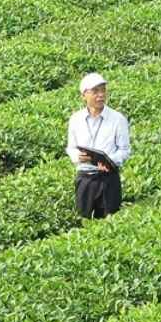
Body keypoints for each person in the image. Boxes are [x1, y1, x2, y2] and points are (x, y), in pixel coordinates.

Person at [65, 72, 131, 219]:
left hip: (108, 179)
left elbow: (124, 150)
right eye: (95, 91)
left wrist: (109, 161)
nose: (100, 95)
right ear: (84, 96)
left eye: (103, 90)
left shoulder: (118, 119)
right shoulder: (75, 119)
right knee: (85, 221)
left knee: (110, 222)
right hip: (85, 179)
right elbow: (70, 147)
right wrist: (77, 156)